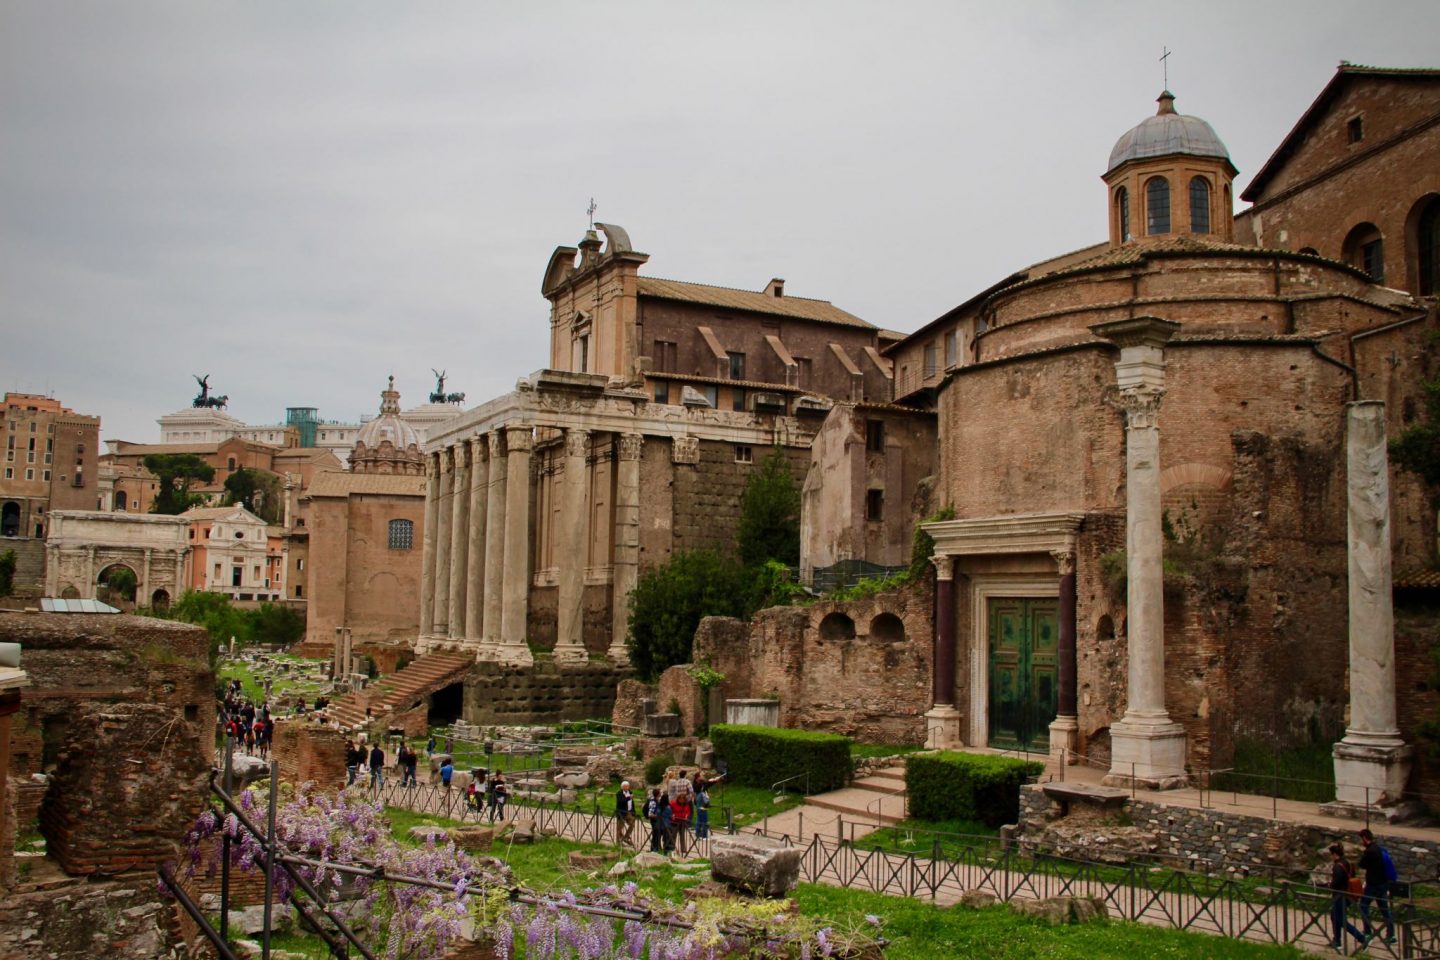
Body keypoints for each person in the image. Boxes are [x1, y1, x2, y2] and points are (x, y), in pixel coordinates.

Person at [1358, 828, 1397, 945]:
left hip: (1373, 884)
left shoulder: (1369, 851)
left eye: (1361, 839)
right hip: (1383, 884)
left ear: (1365, 838)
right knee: (1384, 909)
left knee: (1363, 906)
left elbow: (1361, 864)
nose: (1361, 842)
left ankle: (1368, 932)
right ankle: (1391, 934)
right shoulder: (1379, 849)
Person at [1328, 843, 1370, 950]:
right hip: (1348, 895)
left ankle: (1361, 938)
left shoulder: (1338, 866)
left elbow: (1336, 882)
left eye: (1331, 854)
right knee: (1334, 915)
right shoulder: (1348, 863)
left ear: (1334, 854)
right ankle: (1337, 940)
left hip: (1340, 896)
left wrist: (1330, 884)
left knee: (1341, 920)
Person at [671, 790, 692, 856]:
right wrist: (672, 815)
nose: (682, 801)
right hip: (675, 822)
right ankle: (672, 848)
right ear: (678, 799)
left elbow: (688, 811)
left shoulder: (686, 805)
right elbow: (670, 810)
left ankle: (683, 848)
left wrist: (686, 816)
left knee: (682, 836)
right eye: (680, 799)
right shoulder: (673, 803)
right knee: (673, 835)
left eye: (683, 799)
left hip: (682, 822)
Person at [615, 780, 636, 846]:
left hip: (629, 812)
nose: (628, 787)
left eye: (628, 786)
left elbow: (632, 802)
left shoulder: (630, 792)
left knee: (632, 824)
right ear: (622, 787)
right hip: (622, 812)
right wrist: (629, 797)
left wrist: (633, 811)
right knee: (620, 828)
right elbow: (621, 801)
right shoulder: (619, 793)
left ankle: (626, 837)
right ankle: (618, 842)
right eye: (626, 786)